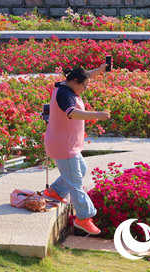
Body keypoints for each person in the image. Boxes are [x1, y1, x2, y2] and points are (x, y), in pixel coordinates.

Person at [43, 63, 111, 235]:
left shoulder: (69, 85)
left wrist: (100, 70)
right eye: (84, 86)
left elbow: (86, 76)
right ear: (75, 81)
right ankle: (83, 217)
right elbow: (71, 113)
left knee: (81, 169)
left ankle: (55, 192)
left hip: (67, 144)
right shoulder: (65, 94)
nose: (85, 90)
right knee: (75, 183)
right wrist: (96, 115)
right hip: (64, 147)